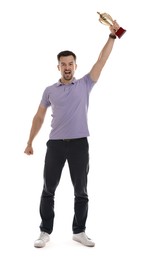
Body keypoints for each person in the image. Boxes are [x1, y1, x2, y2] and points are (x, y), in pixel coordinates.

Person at [24, 20, 120, 248]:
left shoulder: (85, 84)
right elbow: (38, 118)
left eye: (70, 63)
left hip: (79, 145)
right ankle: (44, 231)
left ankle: (79, 231)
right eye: (63, 64)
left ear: (75, 66)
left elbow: (102, 61)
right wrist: (29, 142)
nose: (67, 67)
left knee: (81, 190)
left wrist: (112, 36)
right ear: (58, 67)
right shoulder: (49, 91)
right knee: (48, 189)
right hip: (55, 145)